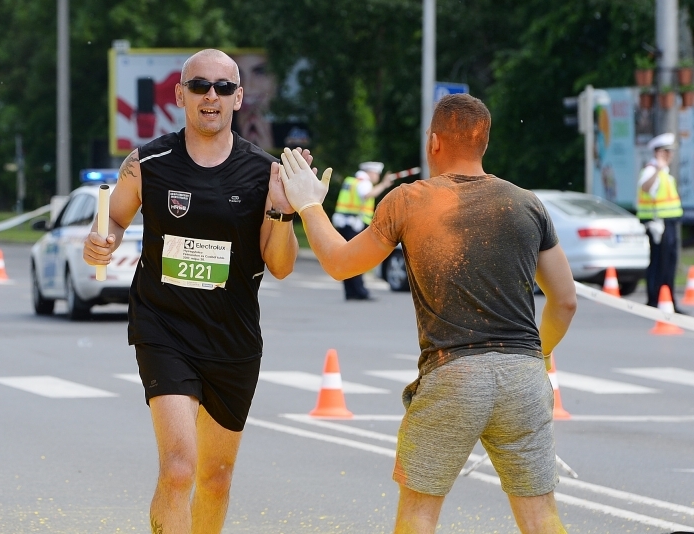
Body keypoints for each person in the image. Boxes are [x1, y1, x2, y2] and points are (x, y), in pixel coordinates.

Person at [278, 93, 578, 533]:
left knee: (419, 514)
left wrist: (308, 205)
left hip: (454, 374)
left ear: (434, 142)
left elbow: (341, 264)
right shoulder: (526, 203)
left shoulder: (409, 201)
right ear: (485, 143)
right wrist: (540, 354)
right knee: (540, 515)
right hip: (524, 379)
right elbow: (565, 301)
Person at [82, 48, 322, 534]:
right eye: (199, 86)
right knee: (178, 470)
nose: (211, 96)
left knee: (215, 478)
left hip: (232, 338)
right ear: (180, 95)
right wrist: (98, 242)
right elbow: (110, 220)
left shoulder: (265, 172)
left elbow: (280, 266)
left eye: (223, 88)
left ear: (238, 99)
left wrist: (281, 212)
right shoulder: (148, 162)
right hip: (163, 326)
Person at [331, 161, 394, 300]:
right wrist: (383, 185)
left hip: (344, 223)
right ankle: (360, 292)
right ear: (371, 172)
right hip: (354, 225)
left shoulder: (351, 180)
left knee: (347, 259)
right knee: (356, 259)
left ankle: (350, 292)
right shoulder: (364, 182)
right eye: (377, 173)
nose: (377, 176)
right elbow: (366, 195)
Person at [637, 133, 684, 310]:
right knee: (661, 262)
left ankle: (667, 300)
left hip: (669, 222)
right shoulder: (652, 170)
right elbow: (645, 187)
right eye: (667, 152)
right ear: (659, 153)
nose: (670, 155)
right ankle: (656, 300)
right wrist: (657, 168)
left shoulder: (665, 173)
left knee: (669, 262)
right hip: (659, 224)